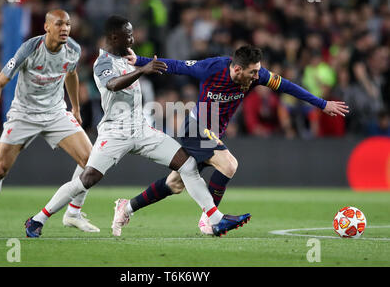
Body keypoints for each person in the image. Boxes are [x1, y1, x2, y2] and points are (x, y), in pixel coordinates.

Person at [24, 15, 251, 238]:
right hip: (115, 132)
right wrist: (142, 70)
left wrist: (143, 64)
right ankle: (38, 219)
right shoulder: (102, 62)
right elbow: (112, 85)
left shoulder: (125, 58)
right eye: (129, 34)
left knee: (188, 165)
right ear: (115, 36)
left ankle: (215, 219)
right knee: (87, 179)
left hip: (142, 130)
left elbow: (159, 65)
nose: (133, 39)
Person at [118, 44, 349, 235]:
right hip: (194, 127)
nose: (258, 76)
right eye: (253, 72)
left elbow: (288, 87)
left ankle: (126, 208)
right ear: (237, 69)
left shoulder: (257, 77)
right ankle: (210, 220)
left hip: (213, 132)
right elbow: (177, 66)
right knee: (229, 164)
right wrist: (139, 60)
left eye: (258, 71)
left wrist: (322, 104)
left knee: (175, 184)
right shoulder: (211, 68)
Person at [0, 9, 99, 234]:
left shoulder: (73, 49)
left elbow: (71, 74)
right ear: (47, 27)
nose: (65, 29)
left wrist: (76, 107)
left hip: (55, 113)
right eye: (59, 24)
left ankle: (73, 213)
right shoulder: (29, 49)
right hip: (24, 114)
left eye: (68, 24)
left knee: (92, 162)